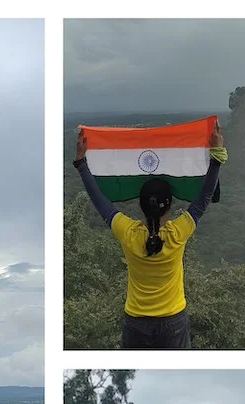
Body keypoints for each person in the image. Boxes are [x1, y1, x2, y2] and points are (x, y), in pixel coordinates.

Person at [73, 120, 227, 349]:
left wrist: (81, 163)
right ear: (169, 205)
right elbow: (203, 199)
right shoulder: (177, 233)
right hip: (173, 320)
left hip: (136, 322)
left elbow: (100, 202)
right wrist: (216, 156)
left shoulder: (129, 233)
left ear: (141, 204)